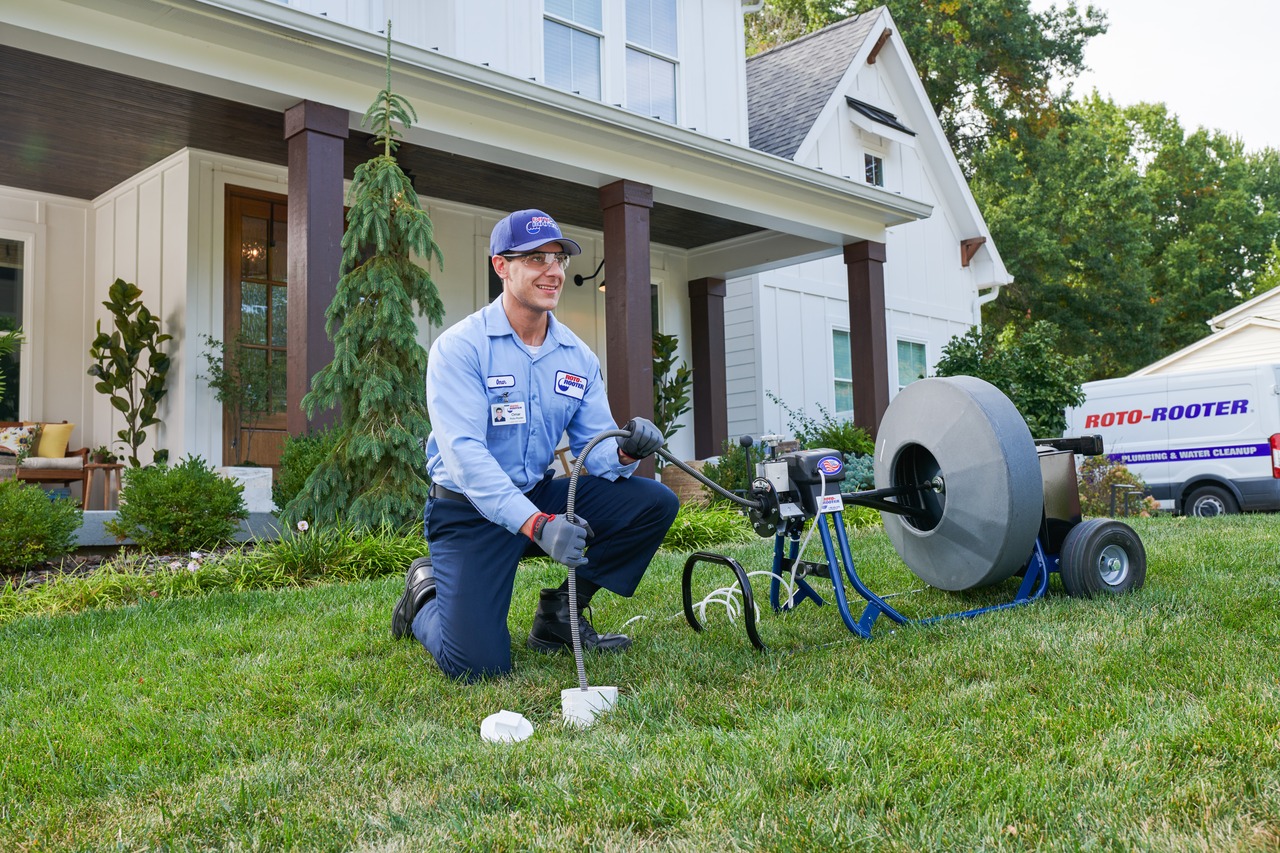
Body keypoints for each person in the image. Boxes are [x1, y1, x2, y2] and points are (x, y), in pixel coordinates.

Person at [391, 208, 680, 682]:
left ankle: (559, 618)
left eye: (560, 258)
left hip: (535, 494)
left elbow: (595, 449)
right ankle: (423, 593)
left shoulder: (576, 357)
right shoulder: (461, 348)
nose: (554, 270)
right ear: (500, 266)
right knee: (479, 669)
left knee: (653, 503)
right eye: (536, 258)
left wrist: (627, 449)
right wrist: (538, 524)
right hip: (468, 512)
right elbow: (465, 459)